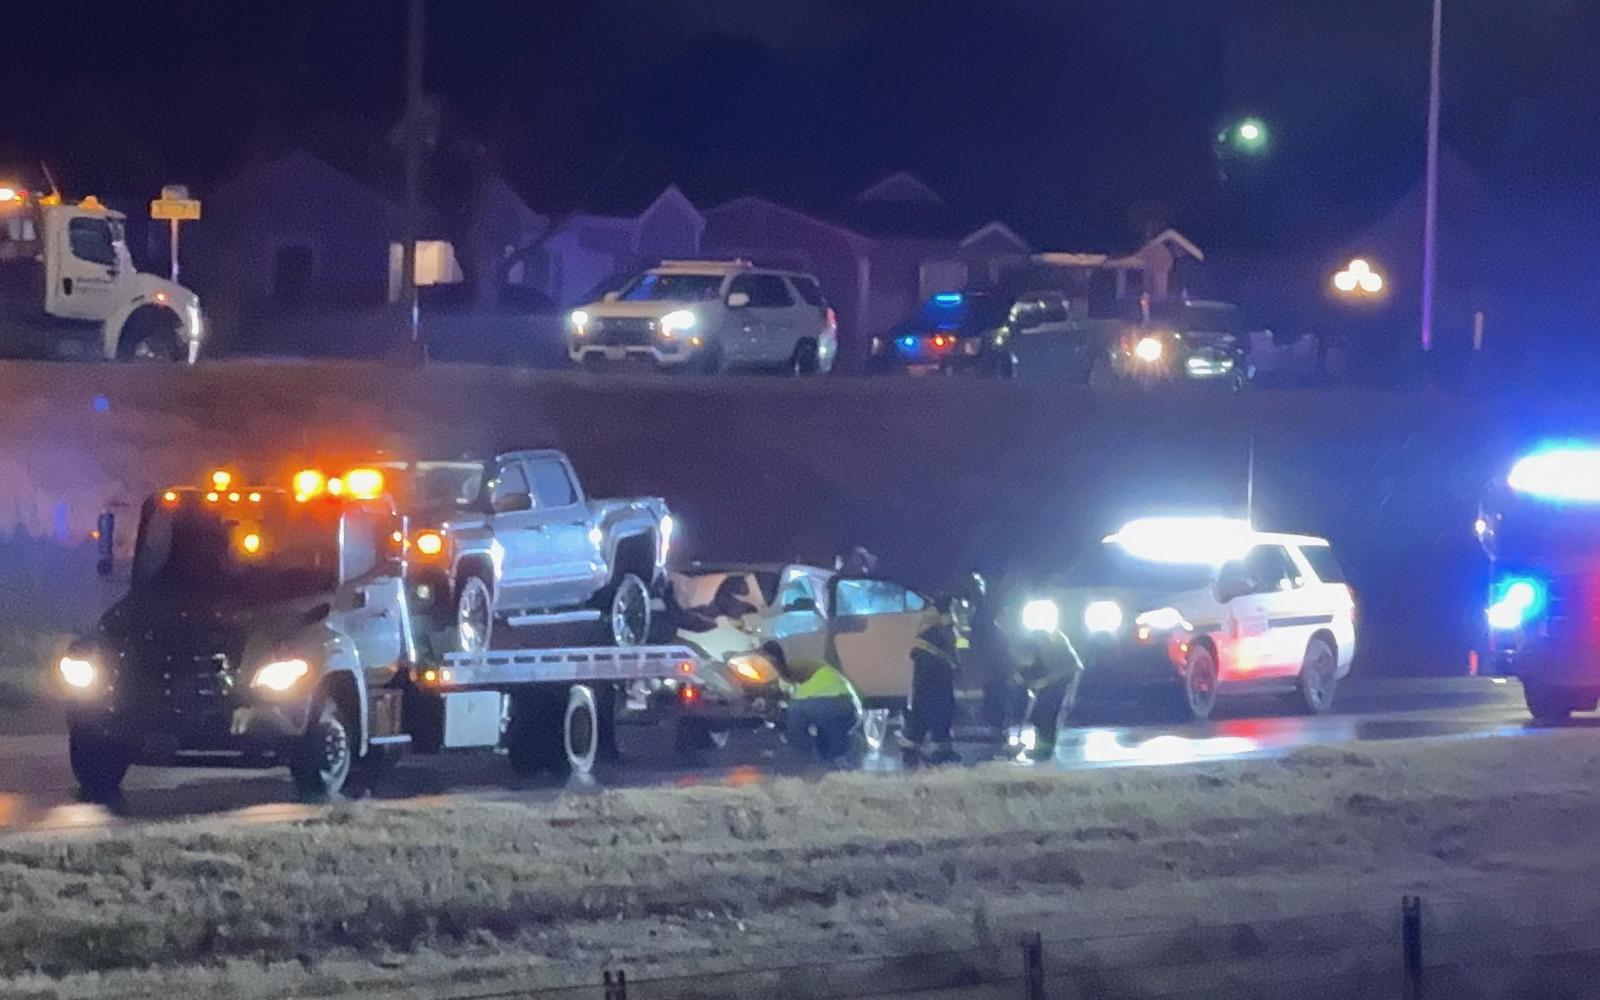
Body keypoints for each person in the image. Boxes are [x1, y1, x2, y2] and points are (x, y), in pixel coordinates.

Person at [766, 640, 860, 766]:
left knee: (793, 718)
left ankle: (803, 761)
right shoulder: (811, 664)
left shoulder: (788, 670)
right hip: (848, 706)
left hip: (817, 705)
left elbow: (784, 693)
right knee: (835, 742)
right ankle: (838, 763)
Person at [903, 597, 962, 765]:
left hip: (938, 684)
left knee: (934, 713)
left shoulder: (941, 632)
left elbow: (958, 645)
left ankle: (927, 748)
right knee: (930, 713)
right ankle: (921, 749)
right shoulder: (933, 634)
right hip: (933, 684)